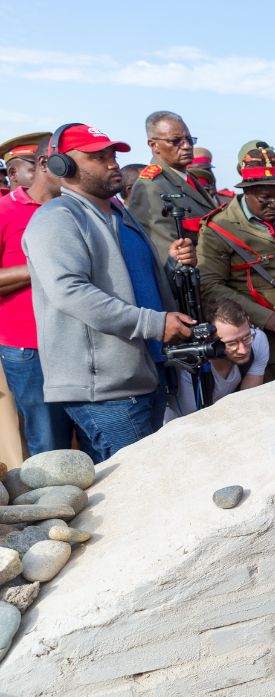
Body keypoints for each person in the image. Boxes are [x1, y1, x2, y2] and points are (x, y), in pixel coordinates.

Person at [24, 123, 197, 462]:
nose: (112, 164)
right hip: (106, 391)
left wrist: (172, 266)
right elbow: (70, 292)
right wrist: (154, 324)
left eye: (112, 155)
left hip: (146, 376)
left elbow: (135, 285)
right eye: (97, 157)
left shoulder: (120, 214)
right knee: (138, 484)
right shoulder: (56, 218)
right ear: (63, 165)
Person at [0, 134, 91, 459]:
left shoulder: (79, 208)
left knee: (94, 442)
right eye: (65, 162)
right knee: (49, 449)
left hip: (82, 343)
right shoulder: (5, 211)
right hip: (30, 348)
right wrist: (46, 265)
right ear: (43, 164)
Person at [197, 141, 275, 380]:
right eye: (265, 197)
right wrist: (265, 317)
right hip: (259, 341)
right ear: (246, 191)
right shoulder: (219, 227)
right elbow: (210, 285)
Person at [127, 111, 219, 248]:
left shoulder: (188, 179)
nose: (187, 146)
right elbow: (167, 253)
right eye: (176, 141)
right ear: (154, 145)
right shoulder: (151, 186)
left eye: (189, 139)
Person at [166, 298, 268, 418]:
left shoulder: (258, 341)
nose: (243, 350)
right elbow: (194, 419)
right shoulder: (190, 368)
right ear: (209, 341)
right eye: (231, 343)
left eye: (246, 338)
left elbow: (248, 400)